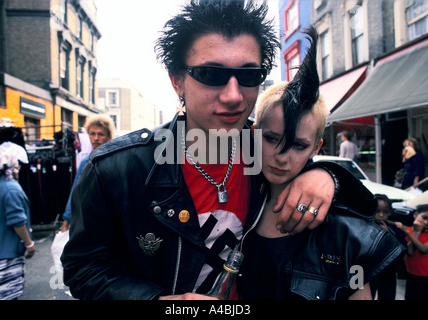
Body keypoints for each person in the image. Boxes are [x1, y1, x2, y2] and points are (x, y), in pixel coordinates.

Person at [61, 1, 377, 300]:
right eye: (211, 75)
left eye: (249, 75)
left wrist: (326, 176)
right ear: (177, 82)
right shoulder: (116, 170)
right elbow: (83, 269)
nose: (232, 95)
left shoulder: (265, 151)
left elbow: (359, 208)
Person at [239, 28, 405, 300]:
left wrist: (328, 175)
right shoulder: (237, 201)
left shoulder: (344, 233)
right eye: (271, 139)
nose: (282, 157)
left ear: (316, 147)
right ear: (255, 132)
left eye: (298, 145)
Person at [0, 145, 35, 300]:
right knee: (8, 294)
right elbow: (17, 221)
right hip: (7, 255)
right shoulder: (11, 189)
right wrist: (29, 244)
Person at [60, 114, 115, 232]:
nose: (96, 138)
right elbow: (75, 190)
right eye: (92, 134)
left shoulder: (116, 159)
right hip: (89, 219)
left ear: (109, 136)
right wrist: (67, 219)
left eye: (100, 134)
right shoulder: (86, 161)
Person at [370, 194, 406, 300]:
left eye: (385, 212)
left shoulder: (394, 229)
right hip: (367, 271)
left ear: (390, 212)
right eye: (377, 211)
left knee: (387, 296)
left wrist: (388, 235)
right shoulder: (365, 227)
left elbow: (401, 251)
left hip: (387, 271)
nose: (381, 215)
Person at [395, 204, 428, 300]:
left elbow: (423, 250)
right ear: (415, 215)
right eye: (424, 217)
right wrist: (416, 232)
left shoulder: (408, 231)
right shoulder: (409, 230)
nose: (426, 222)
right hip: (412, 274)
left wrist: (409, 233)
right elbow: (410, 252)